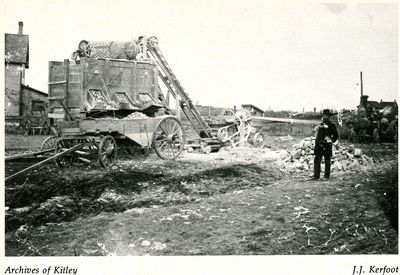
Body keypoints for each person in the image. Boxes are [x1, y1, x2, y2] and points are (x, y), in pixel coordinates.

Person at [313, 109, 339, 180]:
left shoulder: (332, 125)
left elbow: (336, 136)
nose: (325, 117)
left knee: (327, 160)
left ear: (329, 117)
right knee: (317, 160)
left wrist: (330, 140)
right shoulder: (319, 125)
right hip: (319, 144)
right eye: (324, 116)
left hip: (327, 145)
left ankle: (326, 176)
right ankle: (316, 176)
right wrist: (317, 128)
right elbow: (316, 134)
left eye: (326, 116)